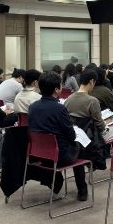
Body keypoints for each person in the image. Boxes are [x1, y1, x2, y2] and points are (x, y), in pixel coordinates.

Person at [29, 72, 89, 201]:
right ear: (57, 89)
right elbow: (71, 135)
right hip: (60, 156)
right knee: (80, 145)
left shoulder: (32, 107)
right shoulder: (59, 109)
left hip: (40, 156)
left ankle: (57, 183)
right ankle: (82, 190)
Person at [65, 69, 113, 143]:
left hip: (77, 135)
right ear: (91, 81)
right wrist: (106, 122)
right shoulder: (92, 101)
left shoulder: (68, 99)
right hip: (93, 137)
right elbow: (101, 127)